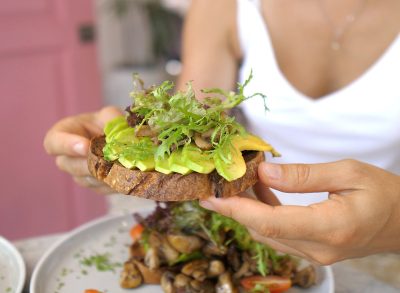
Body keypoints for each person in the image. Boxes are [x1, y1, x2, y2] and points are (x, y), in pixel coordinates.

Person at [44, 0, 400, 264]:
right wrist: (126, 154)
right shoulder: (224, 5)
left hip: (386, 250)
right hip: (245, 232)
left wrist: (395, 222)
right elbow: (192, 123)